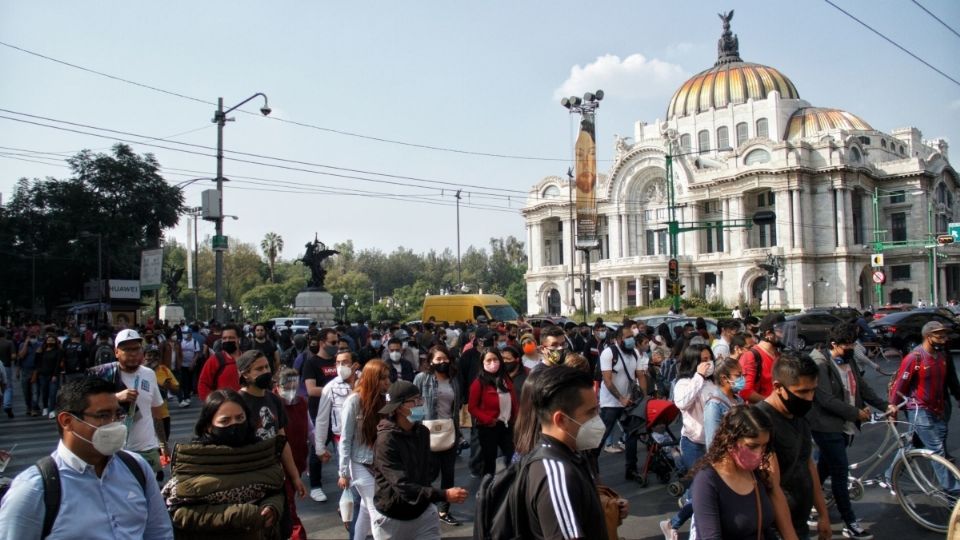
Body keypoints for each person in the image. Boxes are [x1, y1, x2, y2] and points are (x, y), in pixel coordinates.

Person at [0, 378, 173, 539]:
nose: (115, 424)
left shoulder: (136, 467)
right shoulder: (34, 490)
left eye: (117, 414)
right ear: (67, 421)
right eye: (103, 415)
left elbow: (159, 532)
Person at [162, 389, 285, 539]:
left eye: (240, 418)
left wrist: (272, 507)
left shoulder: (261, 452)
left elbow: (276, 489)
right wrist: (239, 514)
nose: (235, 425)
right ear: (208, 425)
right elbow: (179, 513)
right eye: (225, 421)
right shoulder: (194, 461)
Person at [807, 324, 892, 539]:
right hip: (825, 426)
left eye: (853, 343)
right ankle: (850, 521)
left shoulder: (849, 358)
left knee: (824, 468)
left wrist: (884, 406)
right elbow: (825, 399)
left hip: (845, 425)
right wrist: (855, 413)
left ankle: (806, 500)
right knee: (840, 472)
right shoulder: (820, 362)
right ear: (833, 345)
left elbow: (862, 387)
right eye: (846, 345)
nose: (851, 348)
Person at [521, 365, 617, 539]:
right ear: (562, 420)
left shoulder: (573, 454)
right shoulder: (555, 473)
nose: (597, 418)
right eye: (591, 412)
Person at [369, 380, 468, 539]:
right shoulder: (385, 441)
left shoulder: (422, 432)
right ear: (400, 407)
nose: (420, 403)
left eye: (420, 399)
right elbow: (403, 486)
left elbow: (426, 470)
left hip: (423, 514)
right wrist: (444, 495)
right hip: (393, 518)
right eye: (415, 400)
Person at [756, 352, 831, 540]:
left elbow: (807, 464)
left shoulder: (799, 414)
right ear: (778, 387)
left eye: (813, 390)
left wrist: (823, 514)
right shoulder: (760, 422)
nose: (809, 398)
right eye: (802, 392)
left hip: (800, 524)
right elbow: (772, 486)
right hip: (775, 529)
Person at [888, 320, 960, 494]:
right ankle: (954, 495)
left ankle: (890, 476)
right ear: (928, 337)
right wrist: (892, 407)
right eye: (939, 336)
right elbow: (900, 386)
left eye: (945, 335)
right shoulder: (914, 358)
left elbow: (950, 379)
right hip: (919, 410)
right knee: (936, 450)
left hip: (938, 409)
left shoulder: (942, 357)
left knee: (913, 444)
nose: (944, 339)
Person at [87, 329, 168, 477]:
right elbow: (88, 408)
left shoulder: (149, 374)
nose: (132, 353)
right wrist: (116, 397)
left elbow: (156, 411)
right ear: (116, 352)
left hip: (146, 449)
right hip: (115, 450)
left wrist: (162, 443)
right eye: (127, 349)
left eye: (136, 348)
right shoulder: (103, 375)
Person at [690, 404, 777, 539]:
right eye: (752, 446)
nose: (760, 453)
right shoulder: (707, 481)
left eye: (764, 446)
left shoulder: (755, 474)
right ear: (730, 440)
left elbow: (765, 529)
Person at [661, 344, 716, 540]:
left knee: (704, 493)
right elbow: (682, 402)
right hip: (694, 443)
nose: (707, 363)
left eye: (709, 358)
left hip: (714, 444)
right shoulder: (684, 382)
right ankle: (679, 525)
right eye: (702, 360)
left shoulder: (713, 382)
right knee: (702, 492)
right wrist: (699, 377)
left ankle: (673, 523)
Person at [339, 360, 391, 540]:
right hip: (359, 463)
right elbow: (345, 439)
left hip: (378, 464)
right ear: (371, 378)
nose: (386, 382)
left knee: (365, 511)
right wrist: (343, 472)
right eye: (381, 378)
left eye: (387, 377)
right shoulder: (354, 401)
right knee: (379, 513)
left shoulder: (384, 398)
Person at [414, 347, 464, 526]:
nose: (443, 362)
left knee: (448, 473)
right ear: (431, 361)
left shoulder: (454, 380)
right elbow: (415, 404)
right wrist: (415, 428)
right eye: (438, 359)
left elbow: (457, 405)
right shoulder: (422, 378)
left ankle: (444, 510)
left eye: (445, 359)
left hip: (449, 430)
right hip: (427, 432)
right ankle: (425, 507)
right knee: (429, 473)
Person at [597, 325, 647, 479]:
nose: (631, 339)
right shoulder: (609, 353)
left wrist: (644, 399)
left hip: (629, 402)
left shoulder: (634, 354)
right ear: (618, 339)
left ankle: (631, 469)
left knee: (631, 435)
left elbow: (641, 376)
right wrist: (620, 398)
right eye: (627, 337)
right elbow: (607, 380)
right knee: (601, 437)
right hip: (610, 404)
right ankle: (591, 469)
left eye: (632, 336)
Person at [302, 328, 340, 502]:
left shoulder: (338, 361)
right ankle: (316, 486)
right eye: (333, 342)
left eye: (337, 342)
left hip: (339, 411)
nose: (336, 345)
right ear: (322, 342)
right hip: (320, 412)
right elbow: (311, 389)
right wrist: (334, 390)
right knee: (318, 448)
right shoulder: (312, 363)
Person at [468, 348, 518, 477]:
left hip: (507, 425)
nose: (492, 363)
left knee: (512, 457)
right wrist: (488, 419)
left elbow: (514, 401)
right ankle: (488, 489)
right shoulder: (478, 383)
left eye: (495, 359)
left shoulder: (506, 380)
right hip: (489, 427)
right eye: (488, 360)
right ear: (483, 363)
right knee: (489, 462)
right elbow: (472, 408)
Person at [277, 367, 310, 540]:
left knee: (289, 501)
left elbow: (309, 427)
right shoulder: (274, 403)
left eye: (293, 386)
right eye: (287, 386)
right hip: (280, 464)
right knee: (289, 504)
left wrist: (318, 448)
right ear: (278, 385)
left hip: (298, 458)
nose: (291, 391)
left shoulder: (302, 402)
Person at [314, 351, 358, 472]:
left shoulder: (365, 382)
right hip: (341, 441)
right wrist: (320, 448)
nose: (340, 366)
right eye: (338, 363)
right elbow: (322, 419)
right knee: (345, 477)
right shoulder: (330, 387)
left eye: (345, 362)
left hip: (364, 441)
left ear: (355, 365)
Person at [740, 313, 784, 403]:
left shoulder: (778, 355)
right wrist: (772, 404)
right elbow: (745, 392)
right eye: (781, 331)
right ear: (768, 334)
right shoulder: (751, 356)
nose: (784, 335)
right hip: (762, 412)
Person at [702, 357, 744, 447]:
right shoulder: (713, 406)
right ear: (724, 378)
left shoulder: (738, 399)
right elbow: (712, 443)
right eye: (738, 375)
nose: (742, 379)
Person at [196, 323, 242, 401]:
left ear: (239, 339)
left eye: (231, 338)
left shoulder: (248, 358)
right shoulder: (214, 360)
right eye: (224, 338)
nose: (227, 340)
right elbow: (203, 384)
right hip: (224, 408)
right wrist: (213, 404)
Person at [36, 334, 63, 419]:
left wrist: (55, 375)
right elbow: (37, 362)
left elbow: (58, 364)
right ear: (46, 341)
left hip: (53, 375)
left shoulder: (58, 351)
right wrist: (38, 353)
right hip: (43, 375)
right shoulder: (42, 350)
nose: (50, 342)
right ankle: (45, 407)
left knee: (52, 393)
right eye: (49, 340)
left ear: (55, 342)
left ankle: (52, 410)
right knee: (44, 392)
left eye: (52, 340)